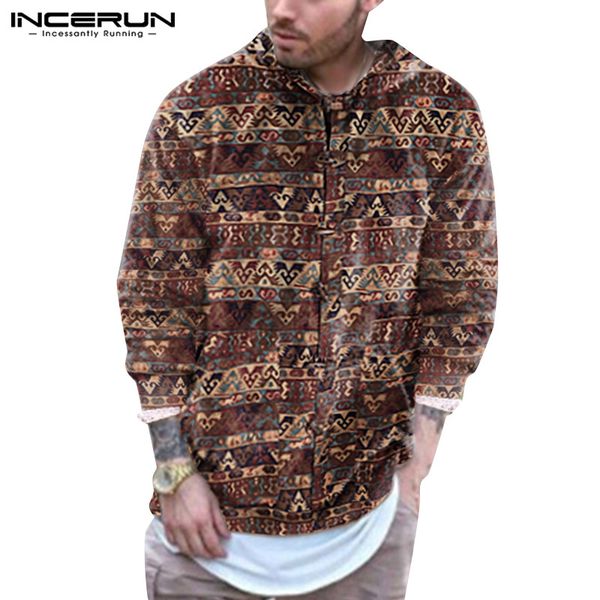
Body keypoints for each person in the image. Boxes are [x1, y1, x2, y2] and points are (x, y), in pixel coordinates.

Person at [116, 0, 498, 598]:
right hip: (204, 528)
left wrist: (418, 463)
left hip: (366, 524)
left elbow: (461, 293)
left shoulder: (440, 113)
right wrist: (173, 473)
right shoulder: (197, 111)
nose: (283, 9)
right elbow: (155, 302)